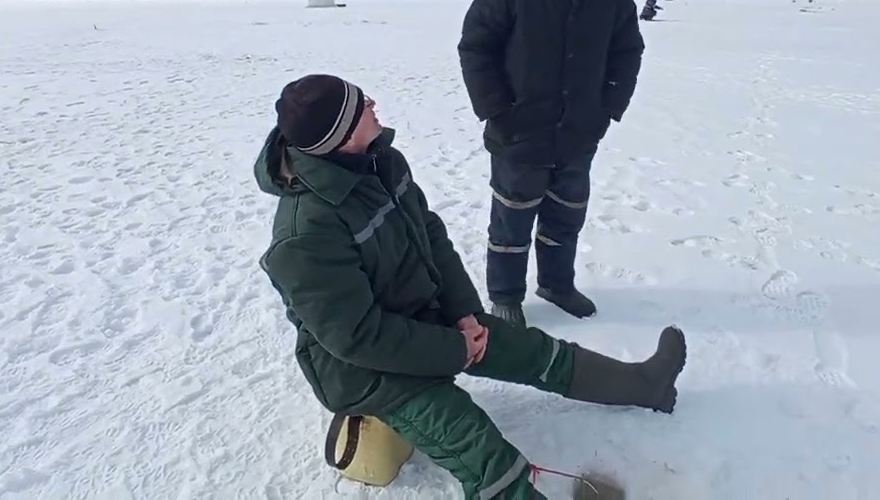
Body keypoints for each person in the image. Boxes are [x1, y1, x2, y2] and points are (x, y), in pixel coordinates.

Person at [254, 74, 686, 500]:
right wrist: (456, 349)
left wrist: (463, 313)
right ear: (342, 134)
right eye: (361, 104)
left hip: (426, 317)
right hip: (368, 371)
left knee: (535, 352)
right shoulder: (305, 236)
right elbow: (359, 338)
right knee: (484, 454)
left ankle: (647, 384)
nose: (372, 104)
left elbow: (432, 239)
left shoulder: (382, 162)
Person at [457, 0, 646, 327]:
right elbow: (476, 45)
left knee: (566, 217)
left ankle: (557, 284)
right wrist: (496, 109)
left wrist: (606, 109)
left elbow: (628, 51)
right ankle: (505, 295)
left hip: (579, 132)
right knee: (512, 222)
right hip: (519, 131)